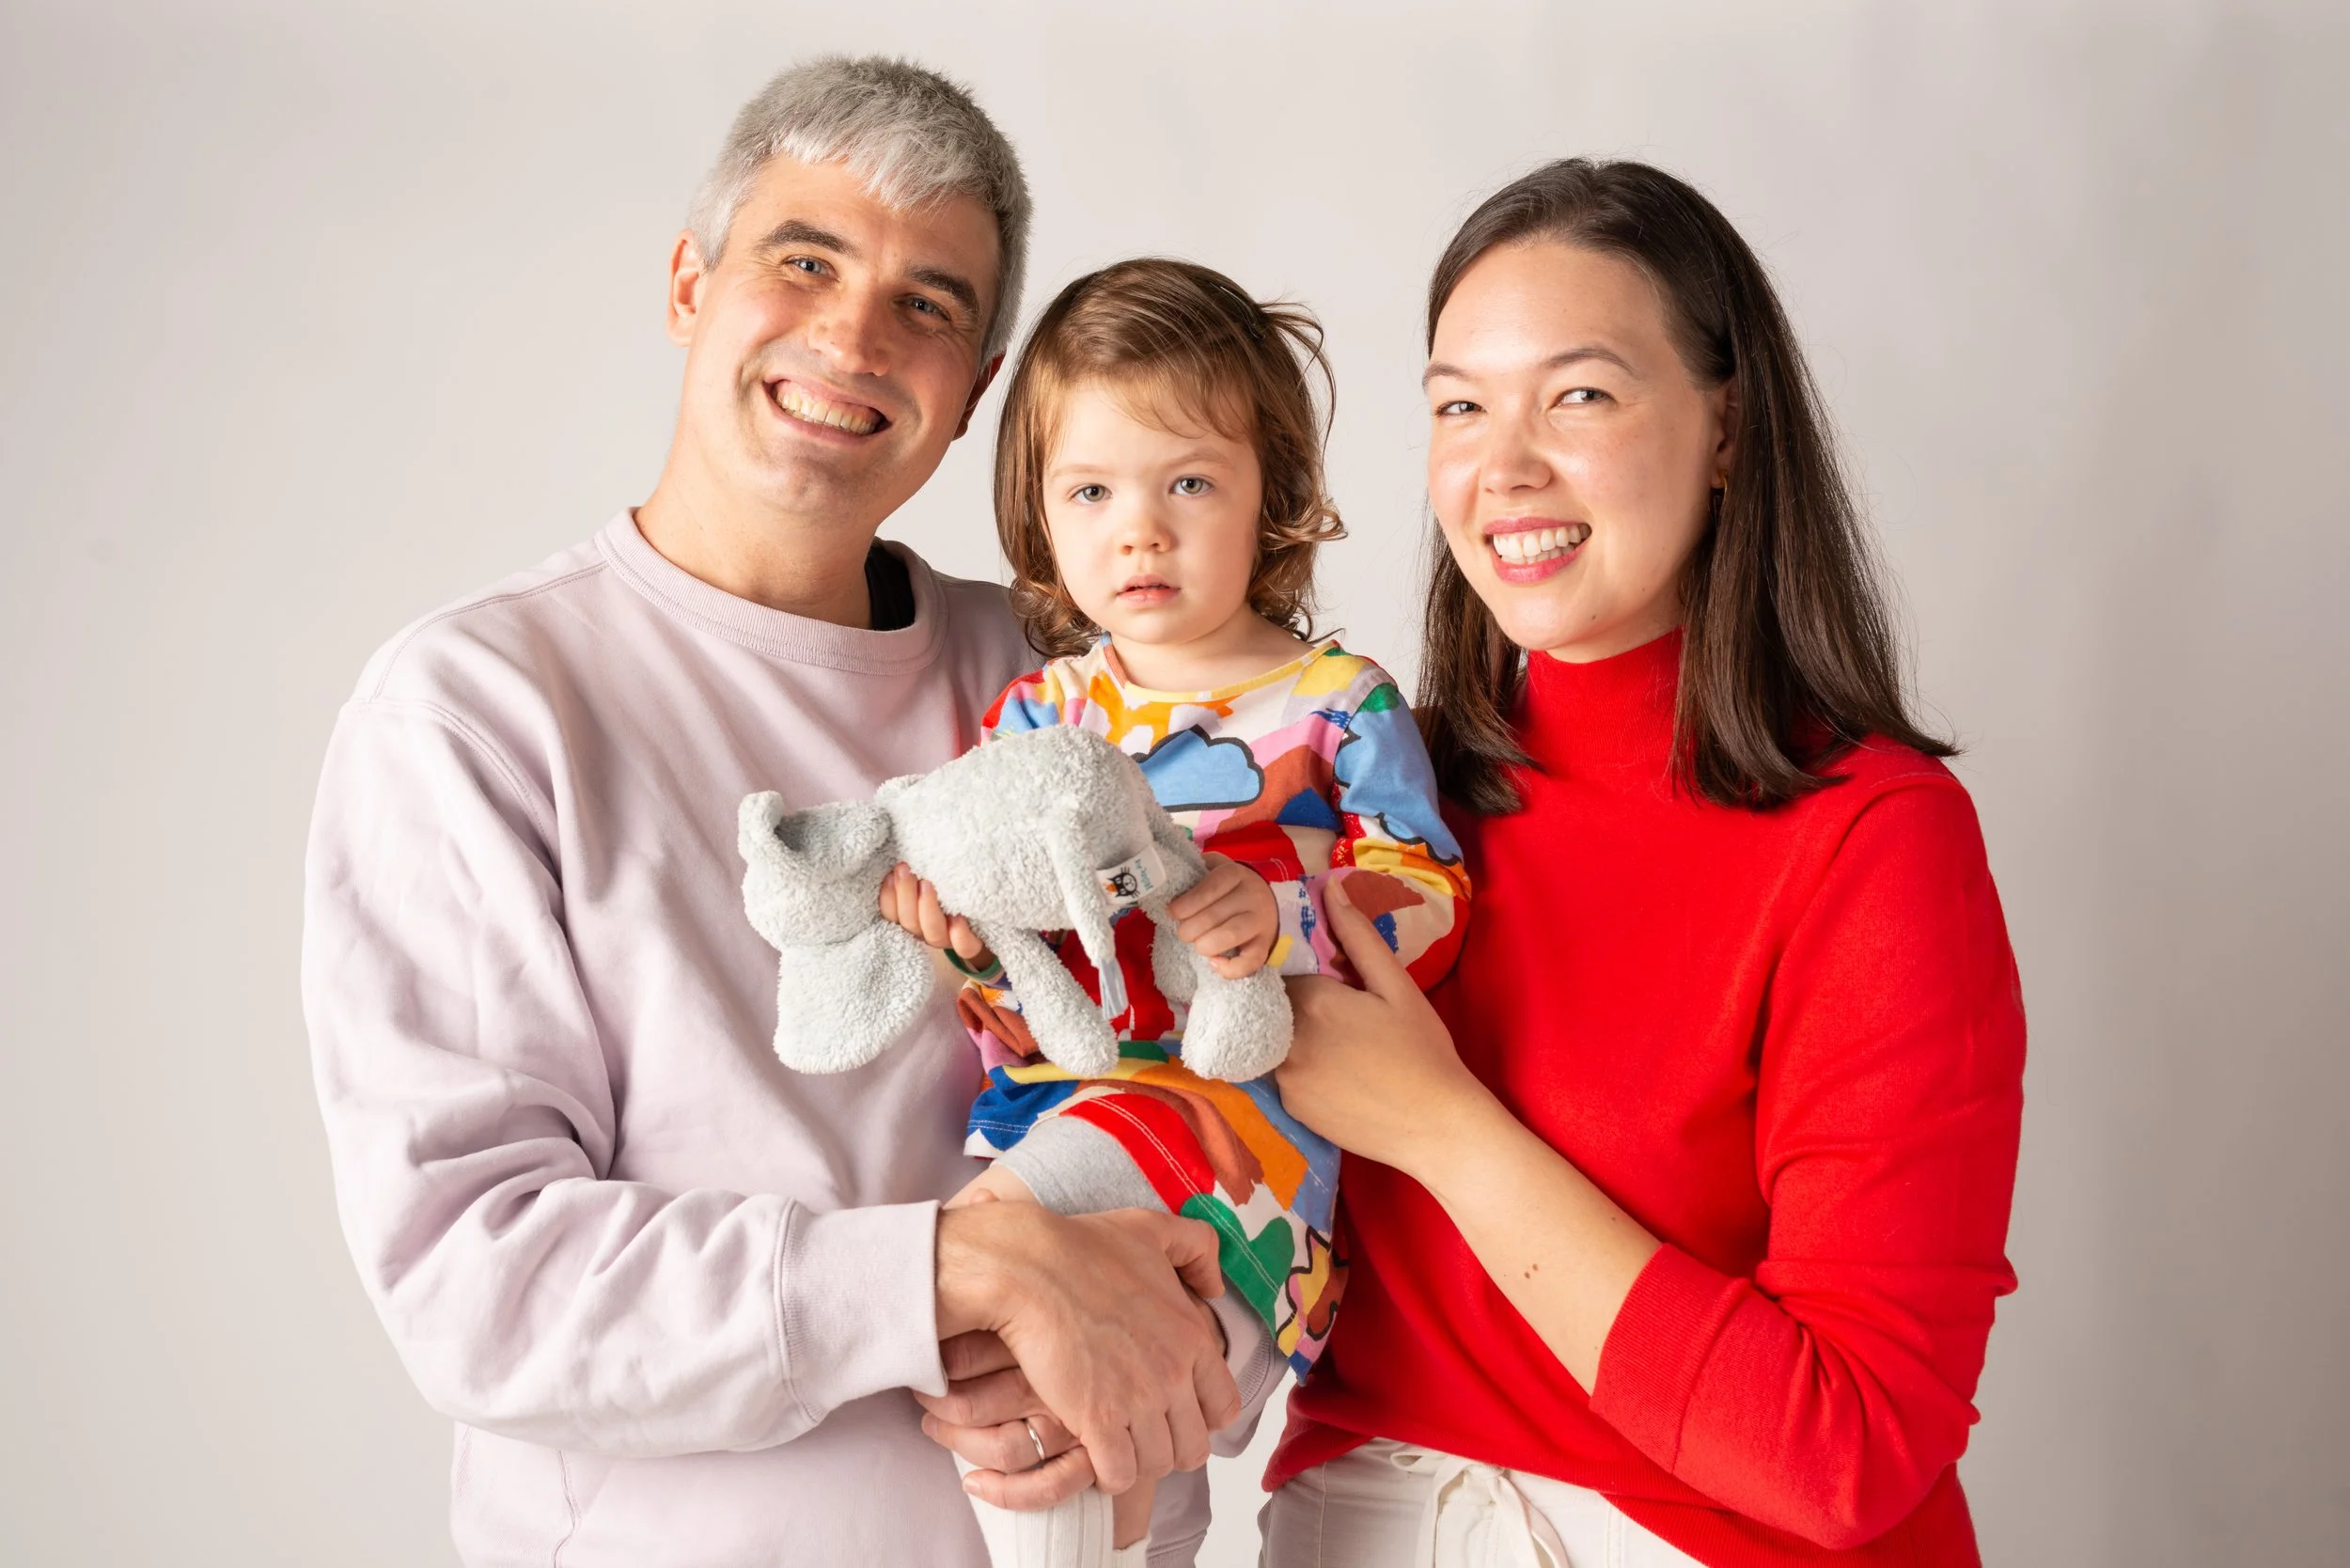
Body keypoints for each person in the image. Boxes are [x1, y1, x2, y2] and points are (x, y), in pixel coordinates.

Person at [302, 57, 1247, 1567]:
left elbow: (1242, 1093)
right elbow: (479, 1283)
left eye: (930, 305)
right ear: (690, 283)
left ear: (973, 394)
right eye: (804, 260)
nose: (857, 335)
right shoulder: (481, 708)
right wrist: (963, 1275)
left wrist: (1173, 1357)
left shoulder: (1072, 681)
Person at [1257, 160, 2029, 1566]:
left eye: (1582, 395)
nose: (1505, 468)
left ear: (1727, 429)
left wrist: (1438, 1126)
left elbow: (1844, 1450)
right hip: (1358, 1527)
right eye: (1459, 407)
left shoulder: (1872, 840)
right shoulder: (1363, 799)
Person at [875, 258, 1471, 1567]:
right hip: (1058, 1108)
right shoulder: (1043, 715)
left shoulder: (1337, 703)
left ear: (1276, 499)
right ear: (1040, 514)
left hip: (1249, 1131)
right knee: (1040, 1432)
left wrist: (1293, 922)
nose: (1137, 532)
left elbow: (1431, 892)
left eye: (1187, 483)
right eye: (1091, 492)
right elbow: (1010, 926)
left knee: (1017, 1314)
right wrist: (953, 934)